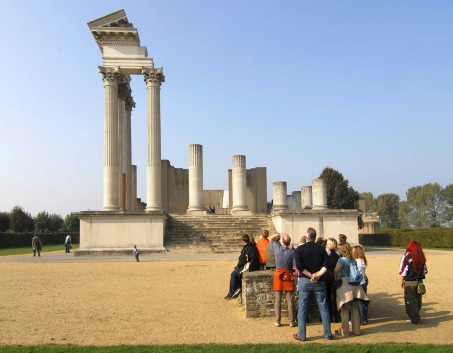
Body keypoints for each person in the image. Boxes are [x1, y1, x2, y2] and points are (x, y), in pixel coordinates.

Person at [293, 227, 334, 341]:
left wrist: (311, 275)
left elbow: (299, 267)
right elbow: (326, 265)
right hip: (319, 281)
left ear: (307, 237)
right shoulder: (321, 249)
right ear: (315, 237)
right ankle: (327, 333)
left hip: (305, 280)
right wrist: (318, 275)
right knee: (323, 307)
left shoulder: (300, 249)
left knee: (303, 307)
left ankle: (302, 335)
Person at [334, 243, 369, 337]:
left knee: (344, 308)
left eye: (339, 249)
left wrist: (335, 278)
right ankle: (357, 330)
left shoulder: (341, 260)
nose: (338, 250)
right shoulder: (353, 260)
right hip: (355, 284)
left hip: (345, 284)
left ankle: (345, 331)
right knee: (354, 308)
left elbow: (336, 270)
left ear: (343, 250)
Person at [268, 233, 296, 327]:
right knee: (290, 299)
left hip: (279, 274)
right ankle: (292, 321)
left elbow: (270, 238)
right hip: (288, 274)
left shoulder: (277, 248)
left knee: (278, 299)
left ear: (282, 241)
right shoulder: (292, 252)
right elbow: (295, 267)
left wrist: (278, 234)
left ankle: (277, 320)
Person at [399, 240, 427, 324]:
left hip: (410, 281)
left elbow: (403, 270)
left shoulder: (406, 257)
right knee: (418, 300)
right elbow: (425, 271)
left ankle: (414, 318)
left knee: (410, 301)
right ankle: (416, 315)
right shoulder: (421, 257)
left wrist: (402, 280)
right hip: (419, 281)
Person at [224, 234, 259, 300]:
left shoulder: (247, 249)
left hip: (249, 266)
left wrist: (238, 266)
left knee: (234, 274)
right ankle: (237, 287)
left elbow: (242, 261)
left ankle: (232, 292)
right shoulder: (252, 246)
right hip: (252, 265)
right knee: (236, 271)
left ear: (243, 241)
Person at [352, 245, 369, 324]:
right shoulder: (362, 260)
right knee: (363, 301)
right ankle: (364, 318)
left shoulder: (356, 261)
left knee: (359, 302)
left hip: (359, 283)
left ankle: (361, 318)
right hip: (363, 281)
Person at [326, 238, 341, 323]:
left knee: (328, 298)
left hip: (328, 279)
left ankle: (330, 316)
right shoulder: (337, 256)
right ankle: (335, 316)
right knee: (334, 298)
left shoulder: (327, 257)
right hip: (334, 279)